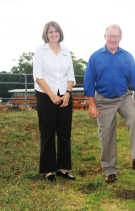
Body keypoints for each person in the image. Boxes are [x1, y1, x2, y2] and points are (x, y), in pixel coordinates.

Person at [84, 24, 135, 183]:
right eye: (110, 35)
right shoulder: (95, 57)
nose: (113, 39)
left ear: (120, 38)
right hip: (104, 100)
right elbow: (88, 81)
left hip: (123, 97)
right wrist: (91, 104)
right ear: (105, 36)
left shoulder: (127, 56)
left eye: (116, 36)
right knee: (107, 134)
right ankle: (110, 170)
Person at [33, 21, 76, 181]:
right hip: (46, 95)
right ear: (46, 34)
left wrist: (67, 94)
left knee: (65, 132)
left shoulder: (66, 51)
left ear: (60, 33)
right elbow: (38, 76)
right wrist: (52, 95)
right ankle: (48, 170)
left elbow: (70, 75)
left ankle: (63, 168)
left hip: (64, 95)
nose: (53, 34)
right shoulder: (40, 51)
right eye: (50, 32)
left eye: (56, 31)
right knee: (48, 132)